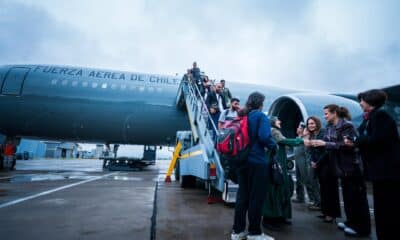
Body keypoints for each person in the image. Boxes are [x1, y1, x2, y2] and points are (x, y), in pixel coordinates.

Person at [346, 89, 400, 239]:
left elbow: (376, 140)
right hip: (381, 172)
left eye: (362, 101)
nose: (360, 104)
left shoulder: (381, 116)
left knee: (387, 208)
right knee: (382, 207)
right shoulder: (372, 117)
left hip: (387, 172)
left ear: (370, 102)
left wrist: (357, 141)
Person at [313, 105, 371, 237]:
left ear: (335, 113)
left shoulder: (347, 126)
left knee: (357, 199)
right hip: (341, 168)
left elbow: (348, 145)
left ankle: (361, 228)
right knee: (347, 197)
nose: (325, 116)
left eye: (327, 113)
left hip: (352, 167)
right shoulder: (330, 127)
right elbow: (330, 142)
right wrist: (320, 142)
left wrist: (325, 144)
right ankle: (351, 222)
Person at [232, 92, 276, 240]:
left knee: (242, 197)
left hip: (242, 161)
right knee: (256, 198)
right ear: (260, 103)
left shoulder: (243, 115)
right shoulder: (261, 116)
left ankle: (237, 232)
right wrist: (273, 145)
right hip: (257, 162)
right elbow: (264, 137)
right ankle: (254, 233)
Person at [262, 116, 303, 230]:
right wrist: (300, 140)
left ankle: (278, 217)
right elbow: (283, 141)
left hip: (278, 164)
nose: (280, 121)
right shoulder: (273, 131)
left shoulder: (274, 131)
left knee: (279, 190)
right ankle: (270, 219)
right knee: (275, 190)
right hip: (276, 165)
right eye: (277, 120)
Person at [292, 122, 318, 209]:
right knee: (299, 179)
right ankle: (300, 197)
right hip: (298, 161)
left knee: (306, 180)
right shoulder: (297, 138)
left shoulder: (305, 139)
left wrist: (305, 135)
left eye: (299, 127)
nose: (297, 129)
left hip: (303, 162)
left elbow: (307, 151)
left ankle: (312, 199)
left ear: (303, 130)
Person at [302, 117, 322, 211]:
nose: (310, 125)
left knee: (317, 183)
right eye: (309, 124)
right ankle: (318, 202)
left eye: (312, 123)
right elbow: (307, 149)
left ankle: (319, 204)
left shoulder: (322, 132)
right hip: (313, 162)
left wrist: (317, 162)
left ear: (317, 123)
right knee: (312, 182)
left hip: (320, 163)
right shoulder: (312, 135)